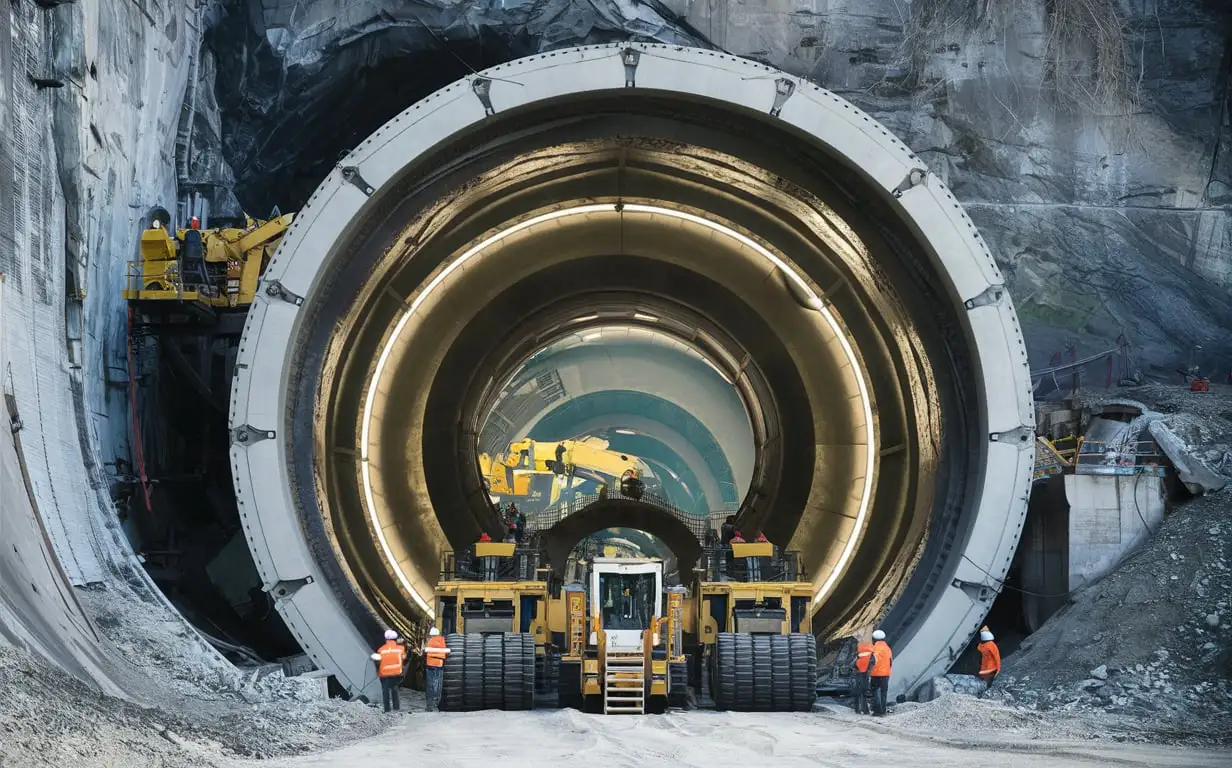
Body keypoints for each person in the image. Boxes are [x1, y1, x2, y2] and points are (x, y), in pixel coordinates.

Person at [372, 629, 407, 713]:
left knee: (385, 691)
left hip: (384, 674)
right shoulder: (401, 649)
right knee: (395, 689)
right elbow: (404, 658)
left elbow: (378, 662)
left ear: (385, 639)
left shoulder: (381, 650)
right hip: (396, 673)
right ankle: (396, 708)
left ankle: (387, 709)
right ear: (396, 639)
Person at [423, 627, 451, 711]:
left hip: (430, 666)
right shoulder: (441, 640)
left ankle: (429, 706)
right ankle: (435, 705)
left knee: (430, 685)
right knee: (437, 685)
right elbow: (445, 652)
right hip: (439, 665)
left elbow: (427, 652)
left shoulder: (430, 641)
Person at [869, 628, 892, 715]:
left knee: (875, 692)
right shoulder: (888, 649)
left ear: (874, 639)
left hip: (875, 674)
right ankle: (883, 711)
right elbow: (890, 662)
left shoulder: (873, 649)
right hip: (886, 674)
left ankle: (877, 711)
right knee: (883, 693)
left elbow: (872, 662)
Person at [851, 640, 875, 714]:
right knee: (865, 694)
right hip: (865, 677)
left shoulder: (859, 656)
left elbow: (852, 665)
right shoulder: (871, 656)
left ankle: (858, 710)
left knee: (858, 694)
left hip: (859, 677)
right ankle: (865, 710)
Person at [976, 626, 1001, 694]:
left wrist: (998, 668)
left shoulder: (989, 645)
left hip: (989, 667)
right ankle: (984, 691)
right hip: (986, 667)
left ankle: (985, 692)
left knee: (986, 681)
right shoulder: (987, 645)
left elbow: (996, 657)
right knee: (985, 681)